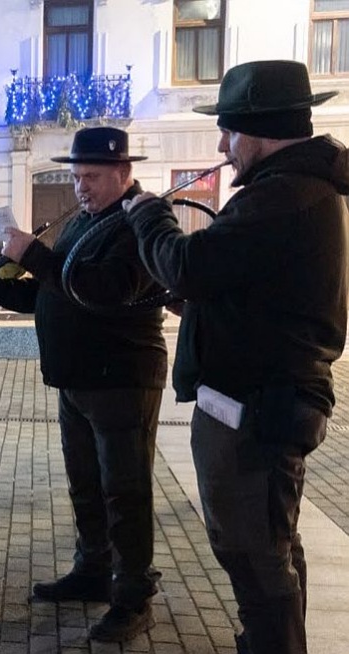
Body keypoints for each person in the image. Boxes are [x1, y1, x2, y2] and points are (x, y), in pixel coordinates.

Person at [124, 60, 348, 654]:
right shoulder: (292, 191)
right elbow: (253, 294)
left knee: (255, 556)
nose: (222, 147)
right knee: (270, 546)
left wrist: (149, 215)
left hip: (259, 410)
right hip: (258, 402)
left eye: (227, 132)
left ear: (259, 131)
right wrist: (201, 309)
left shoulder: (283, 195)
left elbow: (188, 264)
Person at [0, 126, 166, 642]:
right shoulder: (83, 221)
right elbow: (55, 293)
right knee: (86, 485)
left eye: (93, 177)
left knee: (125, 492)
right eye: (77, 177)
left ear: (123, 173)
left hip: (121, 379)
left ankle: (133, 596)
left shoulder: (139, 221)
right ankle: (94, 570)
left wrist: (33, 253)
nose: (82, 186)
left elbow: (105, 290)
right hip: (76, 379)